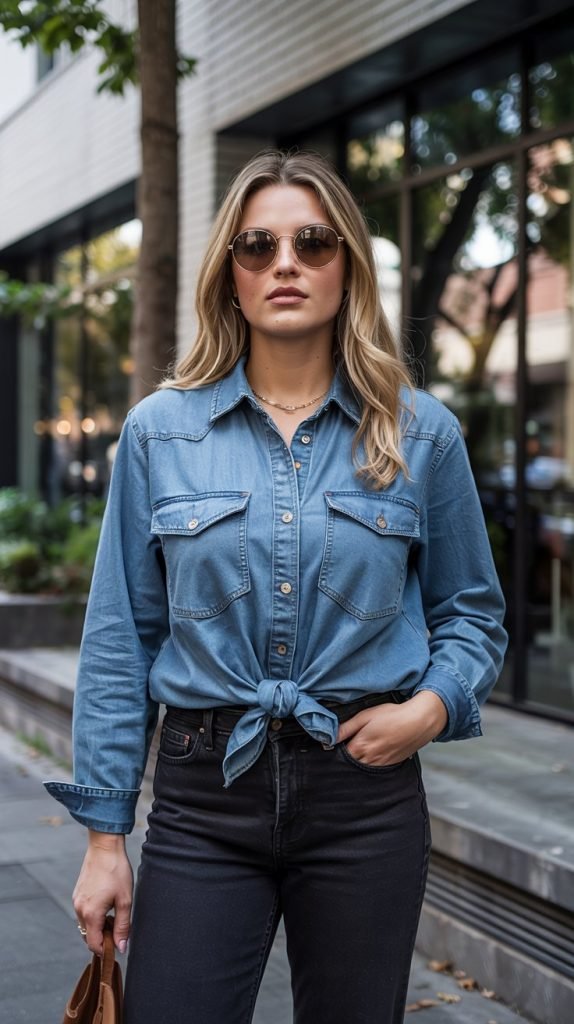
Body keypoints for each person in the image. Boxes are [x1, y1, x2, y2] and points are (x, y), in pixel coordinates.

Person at [45, 149, 508, 1023]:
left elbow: (472, 612)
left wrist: (433, 708)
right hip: (202, 796)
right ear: (230, 274)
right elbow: (121, 638)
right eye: (257, 246)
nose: (285, 263)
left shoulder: (421, 434)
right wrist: (106, 838)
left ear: (349, 268)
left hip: (364, 796)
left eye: (313, 242)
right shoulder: (159, 433)